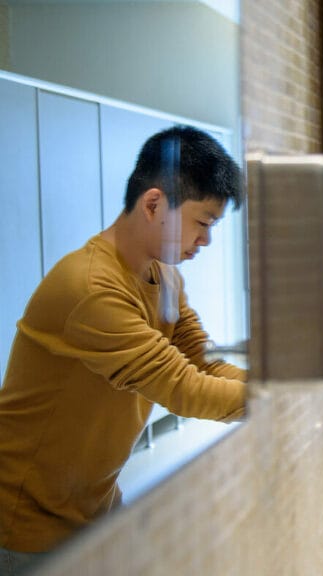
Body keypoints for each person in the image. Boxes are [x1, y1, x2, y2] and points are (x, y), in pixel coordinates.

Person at [0, 126, 247, 572]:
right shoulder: (90, 287)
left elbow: (203, 364)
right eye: (204, 223)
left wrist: (281, 386)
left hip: (95, 505)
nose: (207, 241)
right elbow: (185, 389)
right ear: (154, 204)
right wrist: (286, 396)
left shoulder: (166, 277)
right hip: (25, 520)